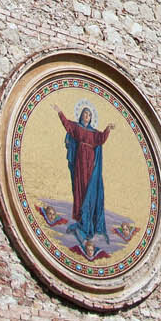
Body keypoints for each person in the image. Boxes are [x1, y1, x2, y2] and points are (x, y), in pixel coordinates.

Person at [57, 103, 112, 256]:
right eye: (84, 114)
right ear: (81, 116)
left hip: (90, 164)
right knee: (80, 189)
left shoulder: (94, 133)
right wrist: (60, 112)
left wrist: (108, 129)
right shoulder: (77, 128)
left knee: (89, 189)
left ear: (91, 118)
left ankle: (88, 220)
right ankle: (81, 218)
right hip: (79, 162)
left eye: (89, 115)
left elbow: (100, 139)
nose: (86, 116)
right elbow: (68, 125)